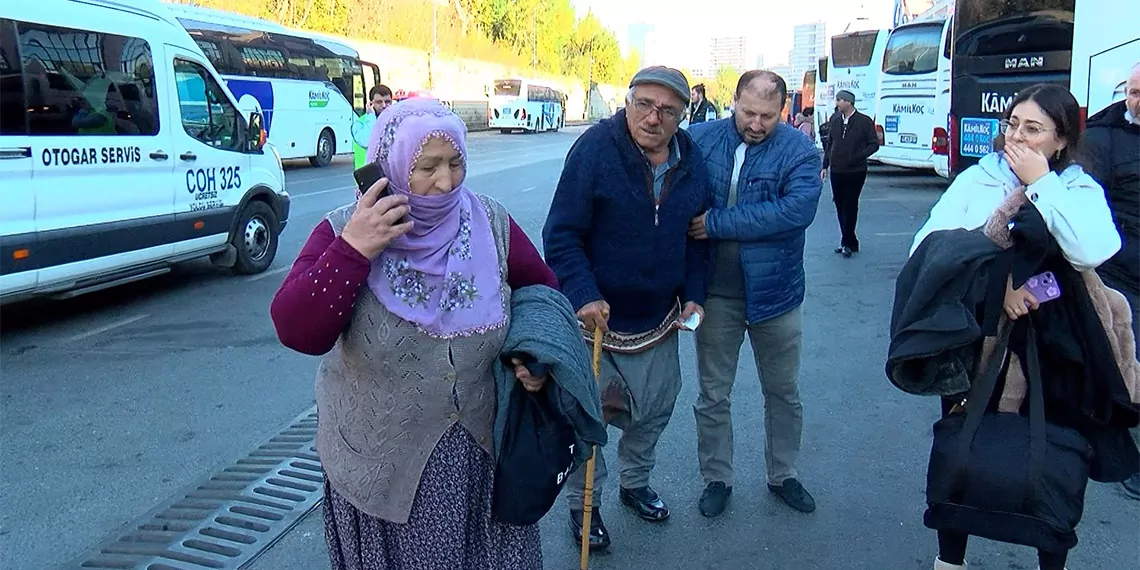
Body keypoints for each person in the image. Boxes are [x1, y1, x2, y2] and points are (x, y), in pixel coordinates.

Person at [270, 97, 558, 570]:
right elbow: (296, 328)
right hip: (381, 473)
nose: (446, 182)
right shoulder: (347, 228)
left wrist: (534, 358)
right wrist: (354, 250)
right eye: (427, 167)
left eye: (455, 163)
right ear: (392, 166)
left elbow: (543, 295)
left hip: (479, 468)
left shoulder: (491, 224)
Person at [907, 83, 1132, 570]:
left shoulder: (1077, 187)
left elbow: (1091, 251)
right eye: (1012, 124)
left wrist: (1042, 184)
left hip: (1060, 345)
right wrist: (997, 289)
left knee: (1055, 451)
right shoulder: (978, 180)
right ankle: (950, 559)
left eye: (1033, 129)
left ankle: (1050, 556)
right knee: (964, 442)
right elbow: (929, 248)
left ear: (1061, 139)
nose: (1018, 137)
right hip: (980, 338)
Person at [542, 66, 711, 551]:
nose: (653, 118)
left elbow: (698, 239)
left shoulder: (693, 162)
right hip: (596, 318)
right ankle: (584, 506)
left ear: (682, 116)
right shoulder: (594, 150)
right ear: (629, 101)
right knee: (586, 418)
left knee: (655, 410)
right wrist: (582, 292)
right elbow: (562, 234)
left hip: (659, 319)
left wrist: (695, 293)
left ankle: (635, 484)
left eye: (667, 111)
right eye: (644, 104)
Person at [686, 70, 824, 518]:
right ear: (734, 101)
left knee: (783, 392)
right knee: (713, 394)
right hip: (714, 294)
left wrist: (717, 223)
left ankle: (783, 474)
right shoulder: (700, 139)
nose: (756, 123)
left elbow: (794, 211)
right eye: (748, 112)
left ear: (783, 110)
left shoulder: (800, 151)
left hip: (777, 295)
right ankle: (717, 479)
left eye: (767, 115)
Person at [1082, 62, 1140, 500]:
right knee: (1130, 359)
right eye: (1133, 92)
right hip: (1123, 272)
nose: (1135, 101)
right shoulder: (1102, 139)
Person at [821, 89, 879, 257]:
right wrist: (825, 165)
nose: (837, 103)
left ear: (848, 102)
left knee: (850, 203)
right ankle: (850, 241)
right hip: (837, 169)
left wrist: (857, 156)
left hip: (856, 170)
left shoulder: (864, 121)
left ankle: (846, 243)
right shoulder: (835, 119)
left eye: (839, 100)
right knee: (839, 204)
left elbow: (873, 144)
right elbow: (830, 143)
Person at [351, 84, 394, 169]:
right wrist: (370, 117)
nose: (384, 105)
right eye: (379, 102)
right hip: (367, 176)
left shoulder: (394, 122)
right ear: (370, 104)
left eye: (387, 102)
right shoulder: (359, 124)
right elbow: (367, 142)